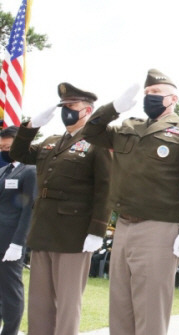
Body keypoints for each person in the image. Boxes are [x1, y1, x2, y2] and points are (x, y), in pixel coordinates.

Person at [81, 69, 179, 335]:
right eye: (147, 93)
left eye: (156, 93)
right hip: (124, 226)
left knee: (151, 309)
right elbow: (91, 132)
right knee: (120, 306)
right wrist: (113, 108)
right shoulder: (129, 126)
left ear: (172, 98)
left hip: (160, 228)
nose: (149, 97)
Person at [10, 83, 112, 335]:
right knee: (40, 302)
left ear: (87, 110)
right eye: (63, 107)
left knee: (67, 302)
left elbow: (106, 188)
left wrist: (97, 229)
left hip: (74, 233)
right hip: (44, 229)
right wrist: (31, 126)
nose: (66, 111)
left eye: (71, 107)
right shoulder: (52, 141)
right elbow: (18, 152)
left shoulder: (97, 142)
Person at [0, 126, 37, 335]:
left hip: (10, 242)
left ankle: (10, 331)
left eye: (9, 146)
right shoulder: (5, 170)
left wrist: (18, 243)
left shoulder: (30, 170)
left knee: (11, 292)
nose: (5, 151)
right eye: (2, 147)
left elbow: (29, 210)